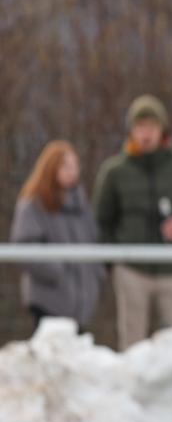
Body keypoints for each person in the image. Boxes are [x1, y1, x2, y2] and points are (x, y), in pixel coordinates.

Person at [93, 95, 172, 350]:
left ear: (163, 130)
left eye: (151, 126)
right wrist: (113, 264)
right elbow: (102, 221)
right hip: (131, 271)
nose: (146, 133)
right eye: (140, 126)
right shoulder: (114, 172)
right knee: (133, 346)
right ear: (131, 131)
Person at [10, 140, 106, 332]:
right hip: (49, 300)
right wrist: (58, 273)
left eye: (74, 166)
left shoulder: (82, 205)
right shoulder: (33, 205)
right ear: (50, 168)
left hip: (82, 302)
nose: (72, 171)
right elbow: (25, 247)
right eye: (65, 166)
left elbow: (94, 243)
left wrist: (96, 275)